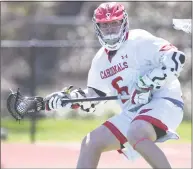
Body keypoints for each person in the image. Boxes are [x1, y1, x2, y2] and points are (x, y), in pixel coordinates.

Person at [45, 2, 186, 168]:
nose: (110, 29)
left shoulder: (139, 39)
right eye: (105, 25)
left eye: (114, 23)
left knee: (136, 132)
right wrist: (69, 99)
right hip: (134, 112)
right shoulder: (100, 61)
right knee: (91, 142)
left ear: (124, 23)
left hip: (164, 101)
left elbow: (176, 59)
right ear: (97, 27)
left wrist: (146, 84)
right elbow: (94, 98)